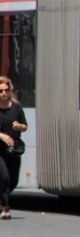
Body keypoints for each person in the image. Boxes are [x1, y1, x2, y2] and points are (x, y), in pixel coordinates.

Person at [0, 76, 27, 220]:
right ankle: (5, 207)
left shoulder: (16, 108)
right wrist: (2, 137)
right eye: (1, 91)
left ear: (10, 91)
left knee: (13, 179)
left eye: (6, 90)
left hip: (13, 149)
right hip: (0, 150)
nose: (4, 93)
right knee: (4, 177)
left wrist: (19, 126)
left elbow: (25, 126)